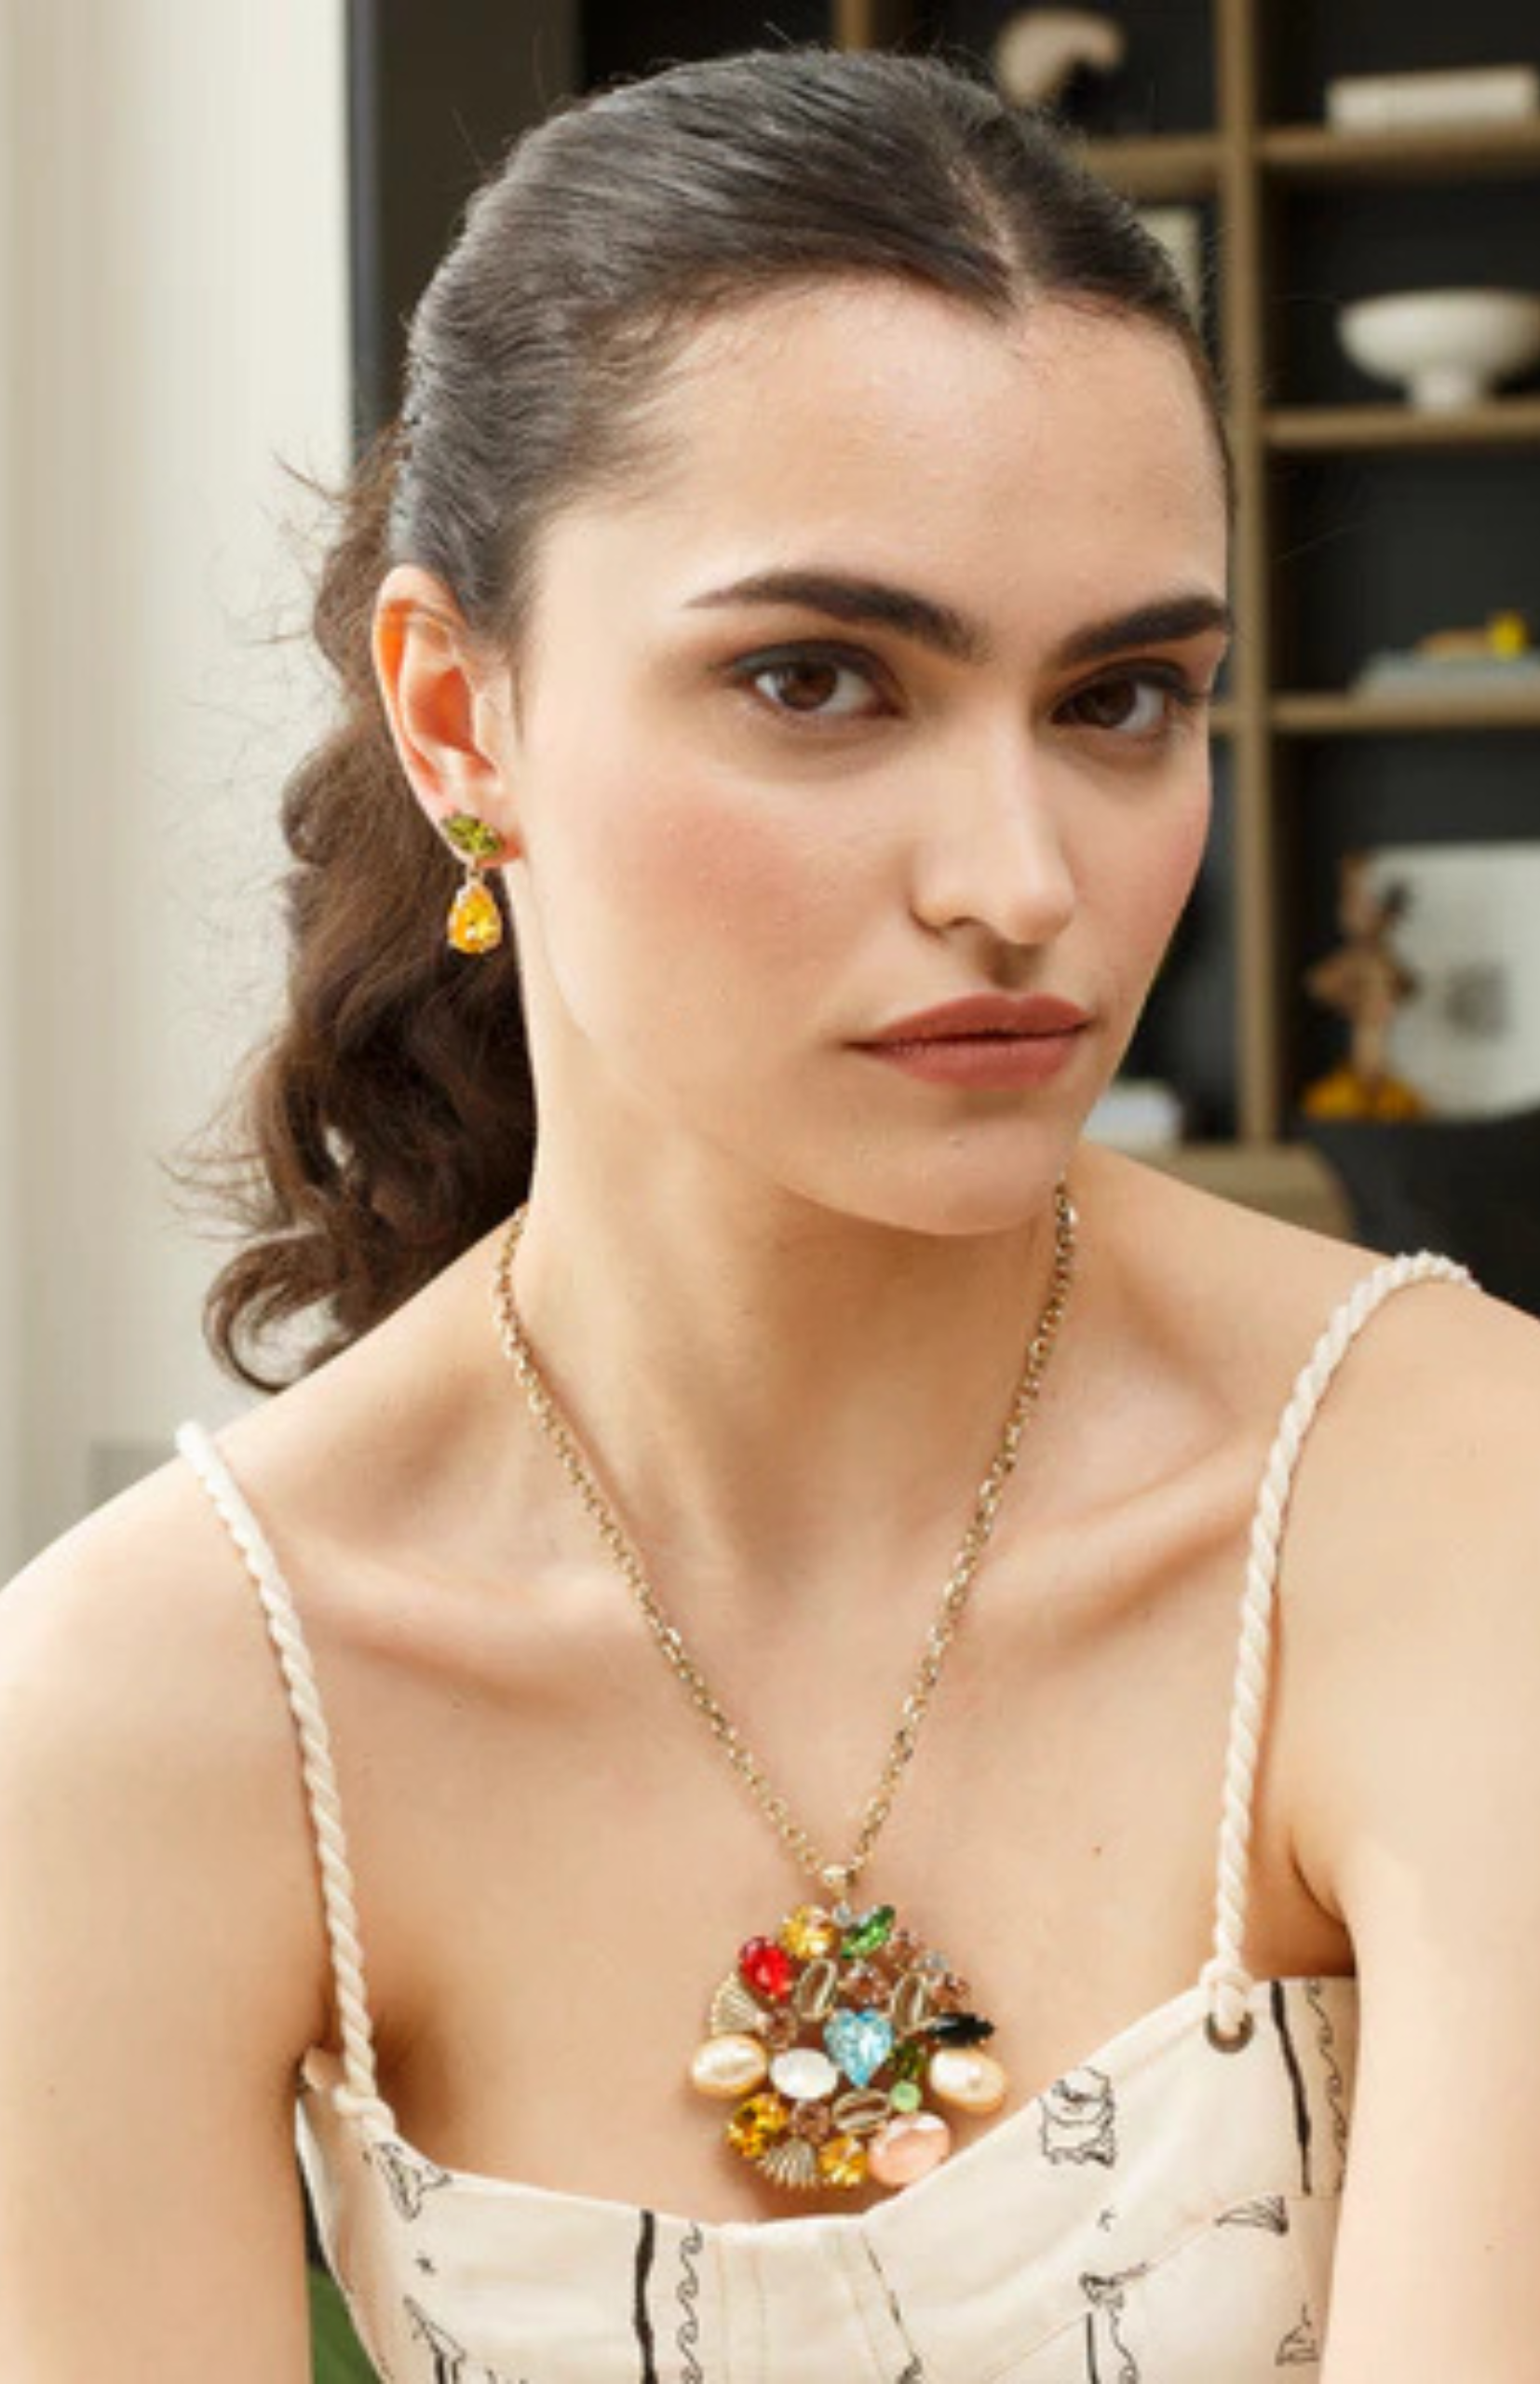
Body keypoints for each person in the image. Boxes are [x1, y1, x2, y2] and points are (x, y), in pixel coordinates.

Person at [3, 40, 1538, 2384]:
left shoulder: (1450, 1497)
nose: (1018, 880)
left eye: (1121, 696)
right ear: (458, 714)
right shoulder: (161, 1700)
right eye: (816, 680)